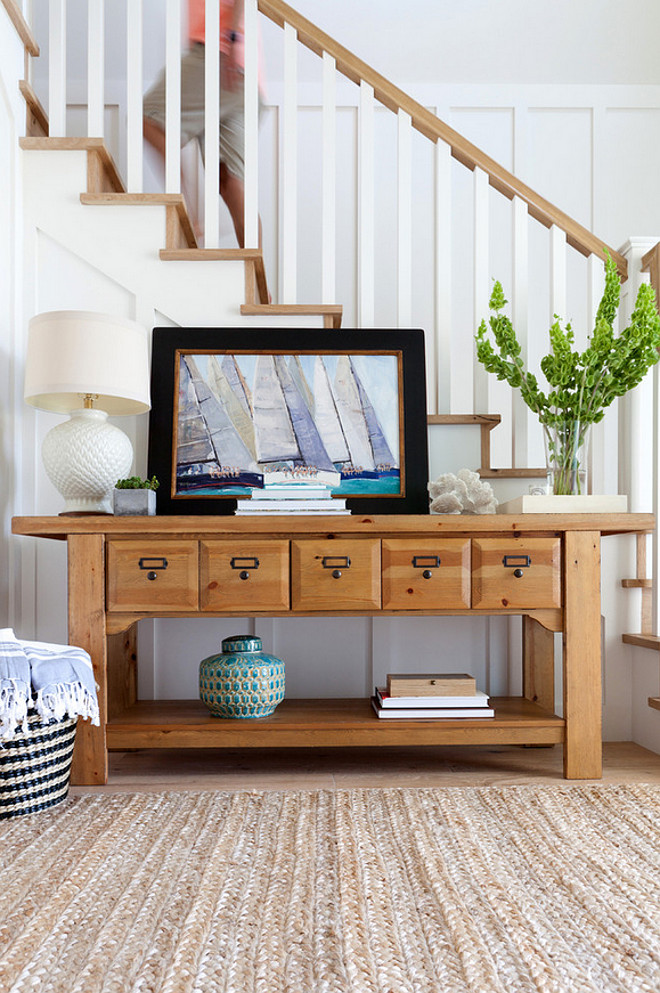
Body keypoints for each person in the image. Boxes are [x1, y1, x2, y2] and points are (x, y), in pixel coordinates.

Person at [143, 0, 262, 247]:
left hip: (217, 54)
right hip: (247, 76)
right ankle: (259, 284)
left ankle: (190, 213)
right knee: (231, 184)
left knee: (147, 120)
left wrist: (231, 38)